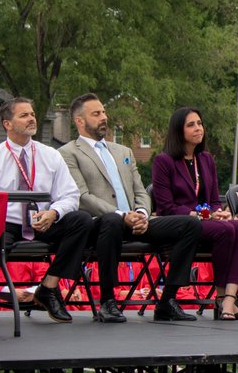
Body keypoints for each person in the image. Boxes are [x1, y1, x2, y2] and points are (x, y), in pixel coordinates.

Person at [60, 93, 203, 323]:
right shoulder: (68, 153)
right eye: (96, 114)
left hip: (137, 222)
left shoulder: (123, 152)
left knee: (191, 225)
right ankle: (107, 301)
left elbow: (141, 191)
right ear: (79, 121)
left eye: (104, 112)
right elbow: (82, 196)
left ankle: (167, 301)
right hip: (100, 223)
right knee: (112, 221)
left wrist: (143, 214)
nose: (103, 117)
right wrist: (122, 215)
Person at [0, 97, 93, 322]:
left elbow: (70, 195)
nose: (31, 118)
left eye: (32, 114)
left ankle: (48, 288)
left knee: (82, 221)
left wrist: (54, 213)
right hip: (6, 223)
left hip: (44, 221)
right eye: (24, 115)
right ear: (7, 124)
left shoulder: (51, 156)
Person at [151, 107, 238, 321]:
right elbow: (165, 207)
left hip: (208, 222)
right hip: (180, 223)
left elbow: (215, 201)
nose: (198, 128)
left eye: (200, 123)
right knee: (224, 229)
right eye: (191, 125)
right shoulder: (164, 161)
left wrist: (218, 212)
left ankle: (229, 300)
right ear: (179, 131)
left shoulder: (206, 159)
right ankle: (220, 295)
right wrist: (203, 215)